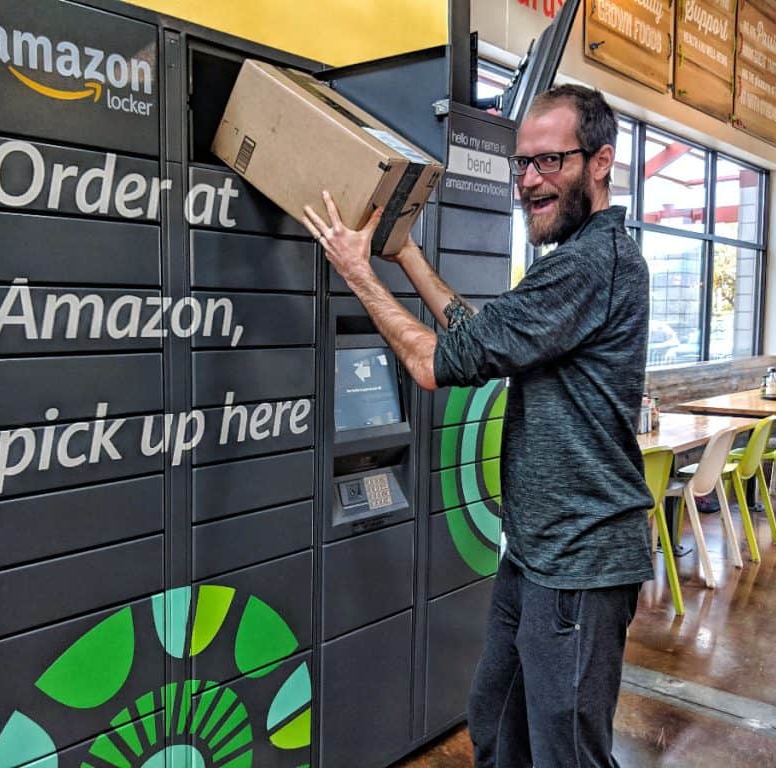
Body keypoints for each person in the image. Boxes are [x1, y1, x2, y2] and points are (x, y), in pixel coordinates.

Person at [302, 84, 653, 767]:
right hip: (537, 552)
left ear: (601, 162)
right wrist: (403, 256)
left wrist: (356, 273)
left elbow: (435, 365)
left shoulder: (589, 265)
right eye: (522, 165)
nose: (528, 182)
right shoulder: (575, 264)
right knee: (495, 723)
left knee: (565, 754)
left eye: (549, 163)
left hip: (579, 562)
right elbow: (480, 337)